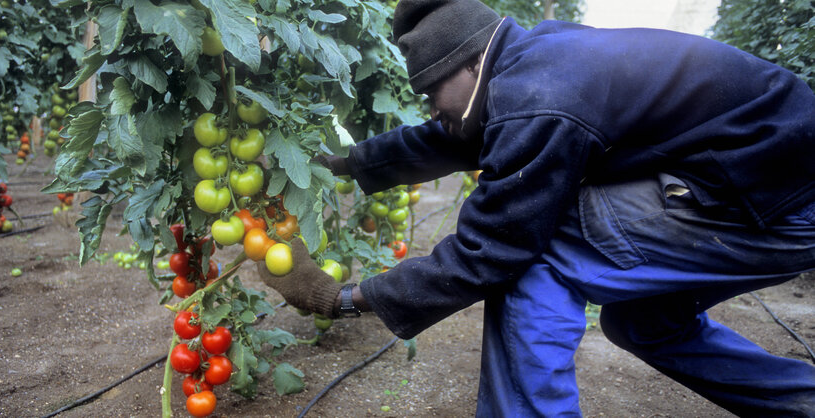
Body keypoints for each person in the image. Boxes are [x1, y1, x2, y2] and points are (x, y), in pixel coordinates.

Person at [257, 0, 815, 415]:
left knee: (538, 251)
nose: (430, 106)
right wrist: (335, 165)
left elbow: (491, 249)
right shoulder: (532, 63)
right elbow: (450, 137)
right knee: (645, 324)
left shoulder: (537, 98)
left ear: (471, 65)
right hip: (769, 184)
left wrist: (346, 299)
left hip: (772, 198)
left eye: (430, 92)